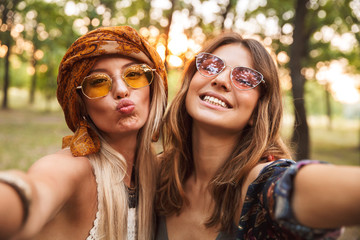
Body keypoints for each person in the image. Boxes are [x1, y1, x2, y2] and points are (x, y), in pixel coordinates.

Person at [155, 32, 360, 239]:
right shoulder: (155, 172)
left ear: (257, 111)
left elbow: (295, 190)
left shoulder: (262, 182)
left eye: (244, 79)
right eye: (210, 66)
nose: (220, 80)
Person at [0, 26, 167, 240]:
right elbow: (36, 192)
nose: (121, 90)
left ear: (154, 88)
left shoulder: (163, 172)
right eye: (98, 82)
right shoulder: (73, 169)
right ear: (80, 104)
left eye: (134, 75)